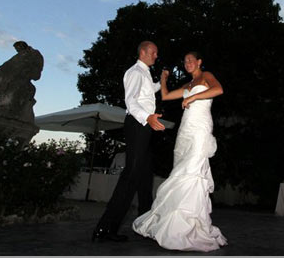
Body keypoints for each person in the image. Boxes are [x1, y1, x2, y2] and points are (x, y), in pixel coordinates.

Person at [132, 51, 228, 252]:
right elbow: (166, 96)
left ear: (199, 61)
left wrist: (194, 98)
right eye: (185, 61)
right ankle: (175, 223)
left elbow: (218, 90)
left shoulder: (206, 76)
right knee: (179, 172)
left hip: (200, 128)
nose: (188, 63)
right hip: (185, 130)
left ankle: (191, 224)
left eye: (191, 60)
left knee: (192, 171)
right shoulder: (187, 85)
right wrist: (163, 79)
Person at [92, 41, 167, 242]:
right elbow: (131, 101)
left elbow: (148, 91)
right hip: (137, 124)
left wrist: (162, 81)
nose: (156, 55)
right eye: (154, 52)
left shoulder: (144, 74)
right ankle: (104, 229)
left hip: (144, 125)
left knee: (145, 177)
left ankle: (145, 225)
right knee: (131, 176)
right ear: (143, 52)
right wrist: (147, 117)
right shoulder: (135, 72)